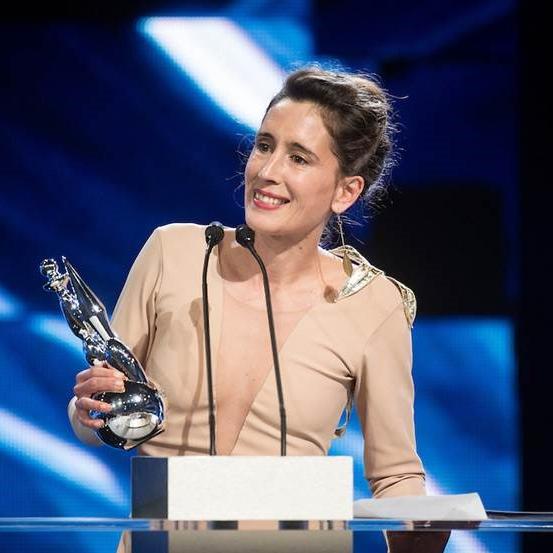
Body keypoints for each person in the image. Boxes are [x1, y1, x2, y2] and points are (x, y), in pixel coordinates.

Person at [68, 66, 449, 551]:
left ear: (345, 191)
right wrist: (91, 410)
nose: (268, 171)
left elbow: (395, 474)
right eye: (265, 145)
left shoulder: (374, 304)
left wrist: (424, 528)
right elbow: (98, 416)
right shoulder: (173, 253)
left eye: (299, 158)